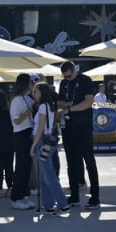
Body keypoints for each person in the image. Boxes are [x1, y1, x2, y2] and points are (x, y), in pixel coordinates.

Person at [57, 61, 100, 207]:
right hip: (68, 127)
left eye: (69, 76)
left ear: (74, 70)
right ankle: (74, 195)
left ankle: (95, 196)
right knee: (71, 162)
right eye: (65, 77)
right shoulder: (63, 83)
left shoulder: (85, 80)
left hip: (83, 127)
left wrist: (71, 109)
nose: (67, 78)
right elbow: (61, 101)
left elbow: (89, 102)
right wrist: (64, 105)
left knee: (89, 161)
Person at [31, 81, 67, 216]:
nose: (33, 94)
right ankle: (48, 206)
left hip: (42, 142)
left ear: (42, 93)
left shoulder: (42, 108)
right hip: (49, 141)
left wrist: (33, 145)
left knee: (48, 176)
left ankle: (62, 205)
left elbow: (40, 128)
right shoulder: (50, 106)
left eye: (36, 91)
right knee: (44, 176)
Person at [8, 75, 36, 211]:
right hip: (20, 134)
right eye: (31, 83)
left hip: (28, 133)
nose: (32, 85)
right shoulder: (17, 100)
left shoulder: (27, 98)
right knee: (20, 167)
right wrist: (28, 112)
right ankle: (16, 197)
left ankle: (24, 195)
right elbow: (16, 121)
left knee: (26, 167)